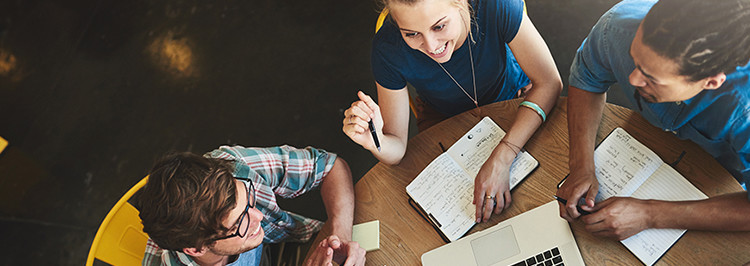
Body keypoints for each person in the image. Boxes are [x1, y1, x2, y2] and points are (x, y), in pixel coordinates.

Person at [342, 0, 562, 222]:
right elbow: (396, 149)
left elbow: (549, 83)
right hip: (445, 117)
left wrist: (503, 157)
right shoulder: (387, 48)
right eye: (411, 34)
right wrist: (375, 141)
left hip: (514, 97)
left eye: (439, 27)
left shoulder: (496, 5)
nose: (431, 46)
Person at [559, 0, 750, 240]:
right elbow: (587, 78)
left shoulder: (745, 110)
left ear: (711, 82)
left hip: (724, 185)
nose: (632, 79)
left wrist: (649, 214)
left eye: (651, 78)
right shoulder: (618, 26)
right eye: (635, 59)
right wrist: (581, 166)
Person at [137, 145, 366, 266]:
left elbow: (328, 166)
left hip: (291, 248)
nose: (258, 216)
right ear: (196, 249)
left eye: (247, 199)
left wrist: (341, 233)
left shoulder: (234, 167)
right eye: (239, 223)